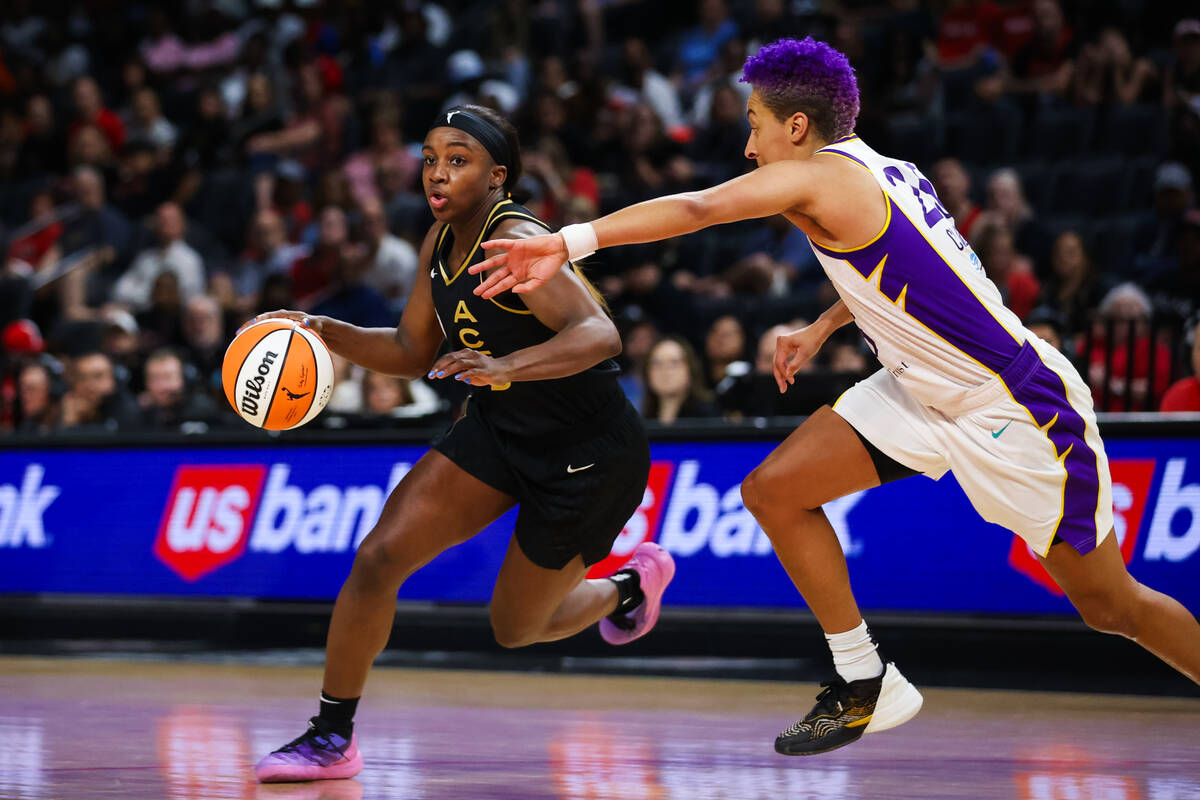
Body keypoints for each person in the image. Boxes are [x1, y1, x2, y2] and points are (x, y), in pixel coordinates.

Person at [473, 37, 1200, 756]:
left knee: (1110, 605)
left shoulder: (821, 178)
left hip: (1011, 404)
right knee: (775, 490)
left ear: (797, 127)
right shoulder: (885, 172)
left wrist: (566, 243)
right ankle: (865, 679)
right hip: (918, 385)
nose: (750, 147)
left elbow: (700, 209)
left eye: (755, 124)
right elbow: (909, 268)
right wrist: (823, 323)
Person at [250, 105, 671, 783]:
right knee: (378, 558)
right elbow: (413, 349)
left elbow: (600, 335)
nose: (437, 173)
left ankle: (628, 586)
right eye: (429, 158)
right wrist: (322, 329)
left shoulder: (519, 238)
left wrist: (507, 367)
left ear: (498, 175)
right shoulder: (440, 240)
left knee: (516, 627)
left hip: (588, 454)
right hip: (502, 431)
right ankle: (331, 737)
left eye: (458, 158)